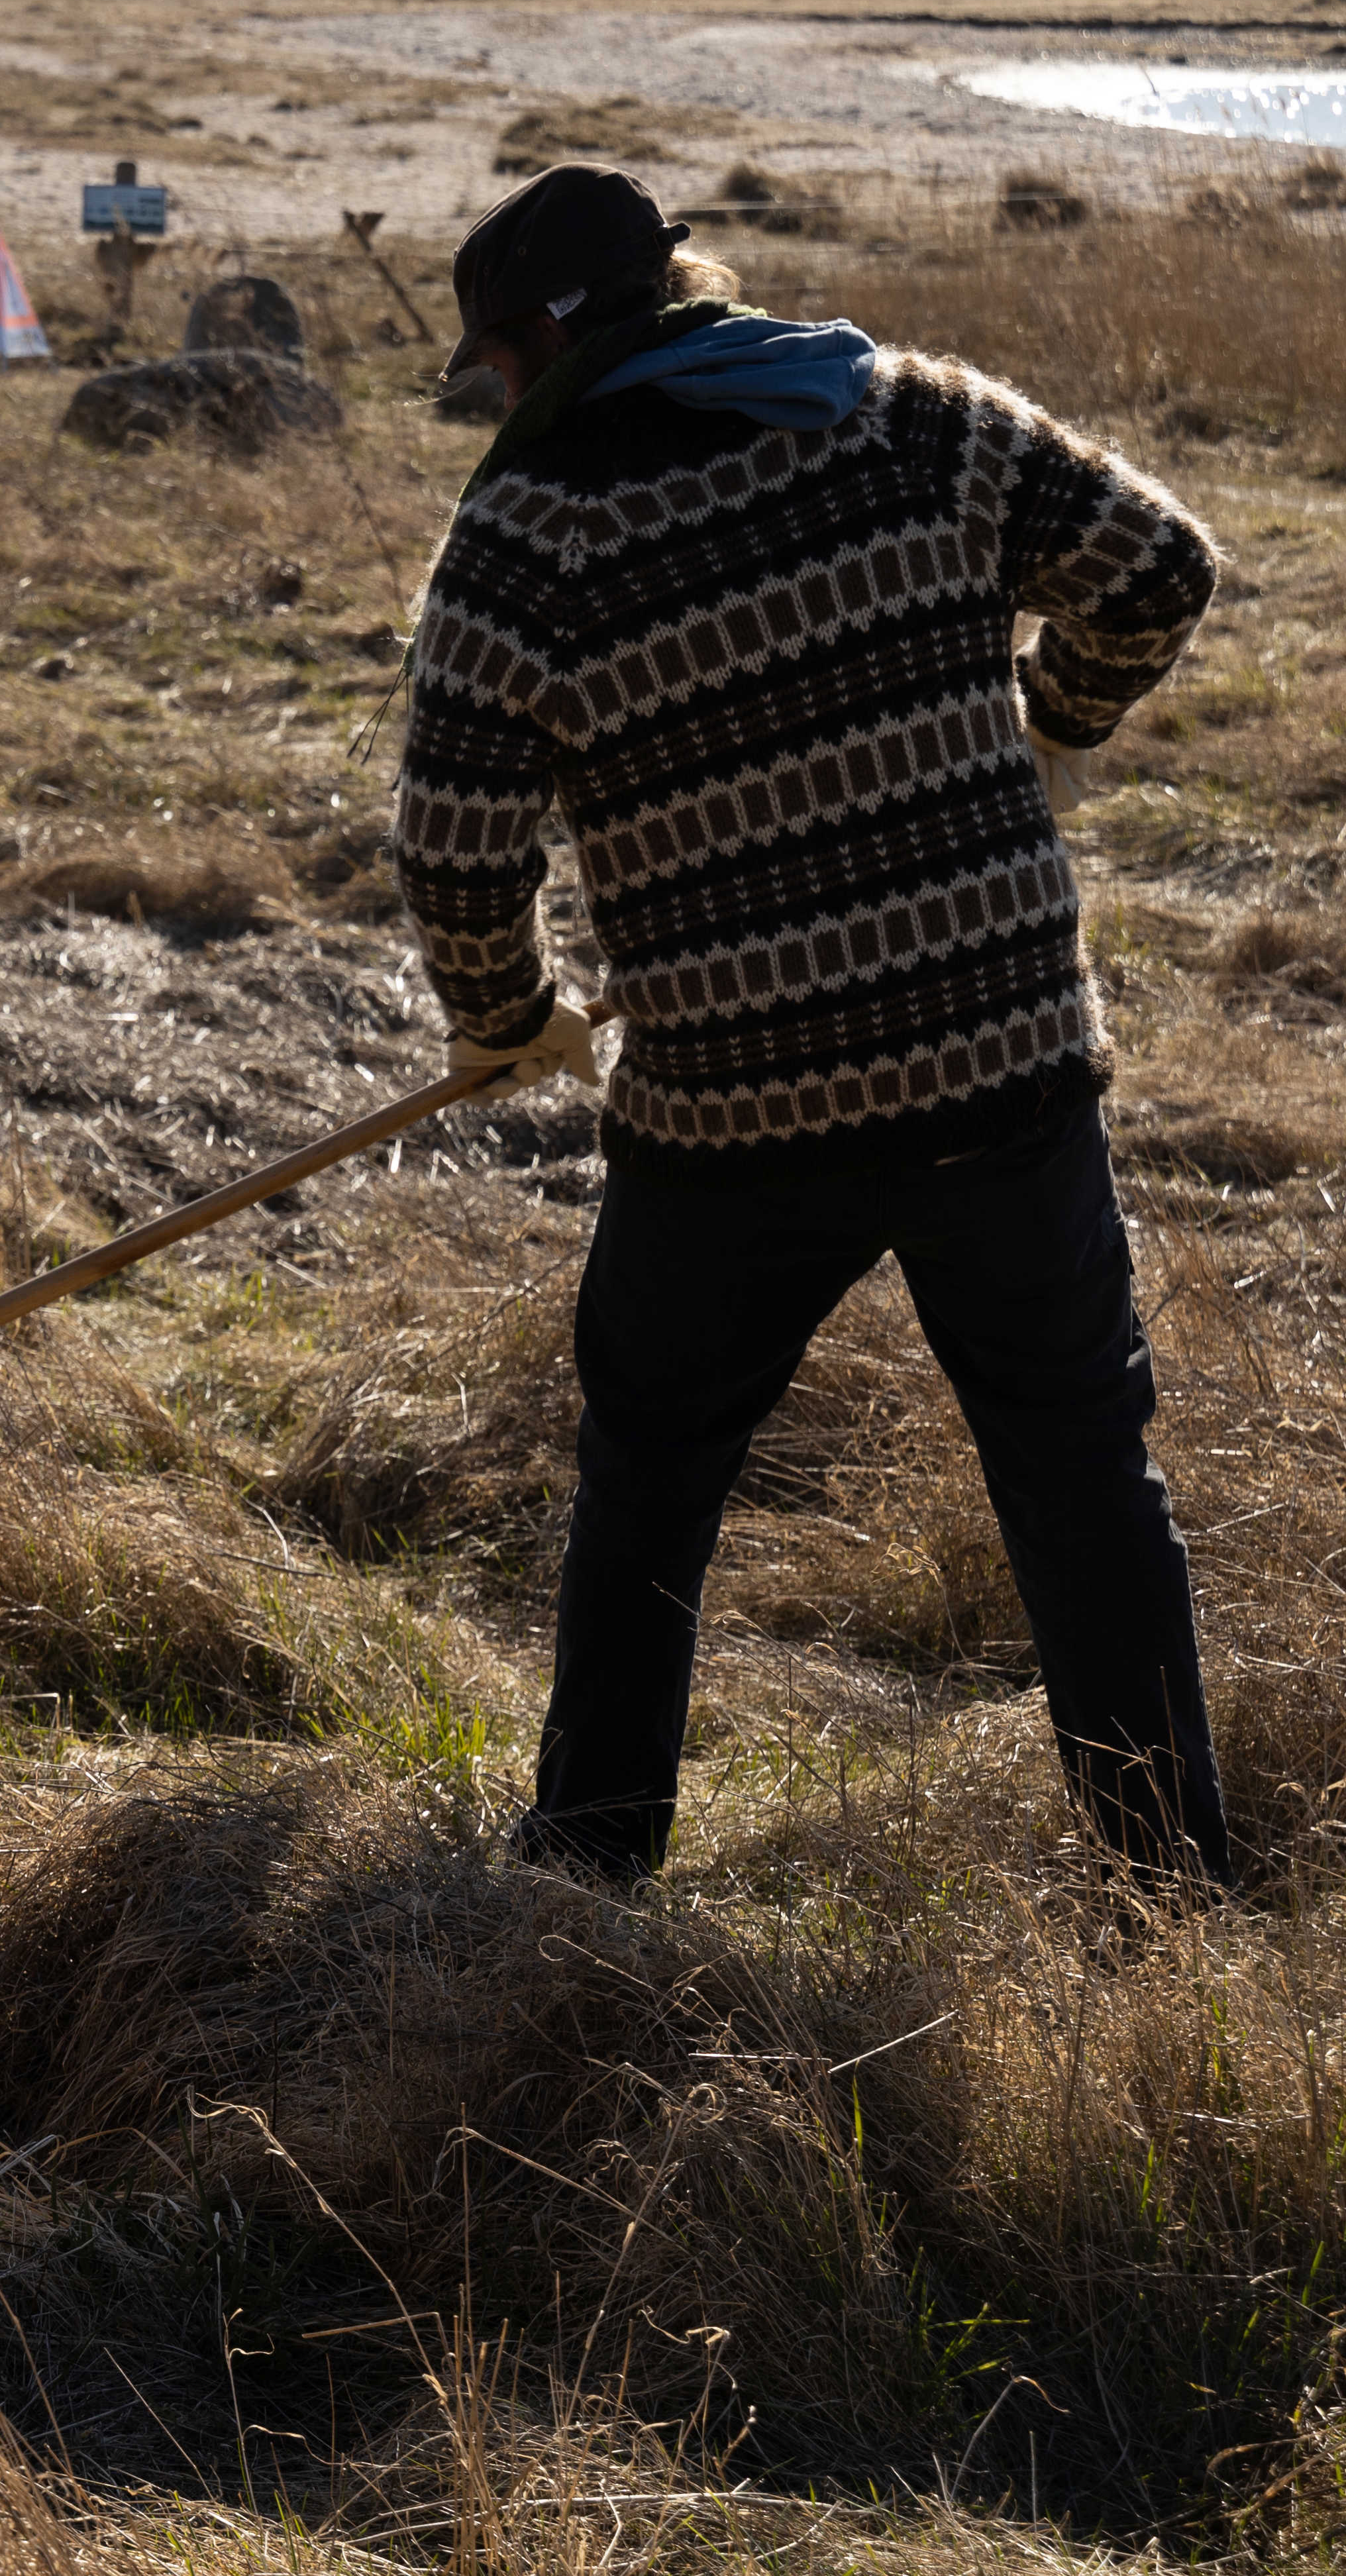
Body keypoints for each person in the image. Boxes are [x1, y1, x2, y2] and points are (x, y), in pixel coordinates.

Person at [396, 162, 1229, 1892]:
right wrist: (1043, 729)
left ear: (547, 341)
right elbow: (1159, 568)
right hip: (1002, 1065)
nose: (482, 394)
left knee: (653, 1474)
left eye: (485, 360)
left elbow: (456, 842)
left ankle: (591, 1866)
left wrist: (509, 1025)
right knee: (1081, 1473)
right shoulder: (917, 419)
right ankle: (1165, 1892)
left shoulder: (523, 532)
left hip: (728, 1116)